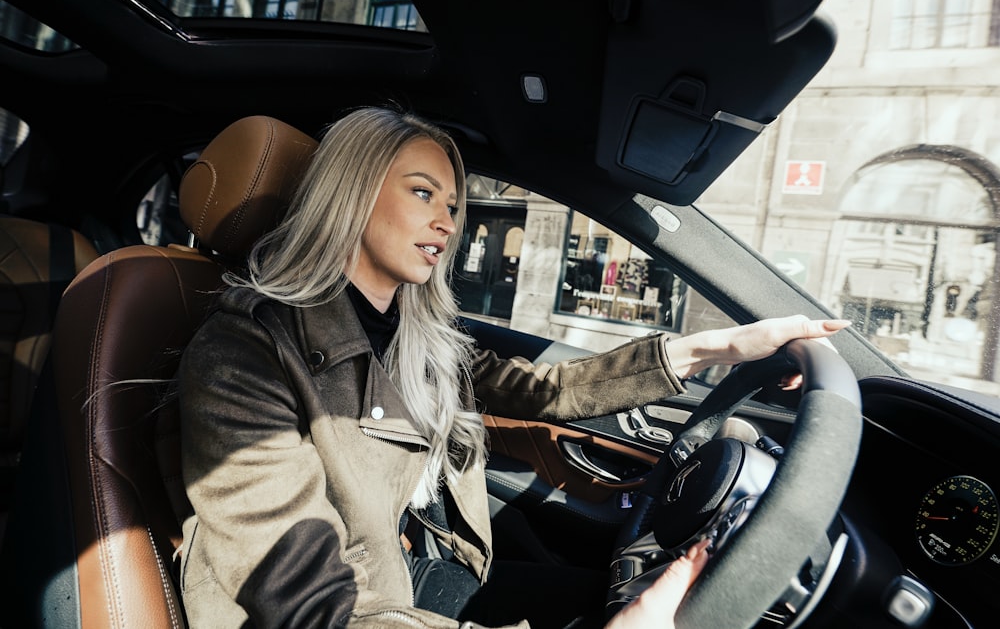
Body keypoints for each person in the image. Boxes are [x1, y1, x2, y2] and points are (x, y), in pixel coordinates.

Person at [176, 106, 850, 628]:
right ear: (350, 193)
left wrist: (725, 346)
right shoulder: (242, 354)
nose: (446, 219)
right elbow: (314, 611)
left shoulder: (414, 332)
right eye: (421, 192)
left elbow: (548, 387)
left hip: (422, 569)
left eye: (451, 204)